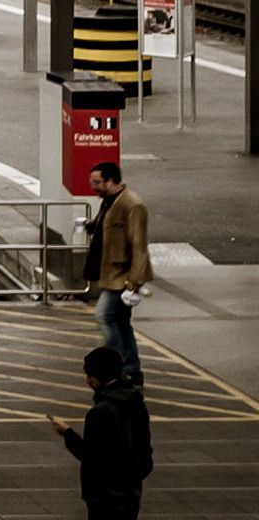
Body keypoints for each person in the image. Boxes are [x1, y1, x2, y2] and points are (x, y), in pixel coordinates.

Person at [51, 346, 153, 520]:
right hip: (130, 493)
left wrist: (67, 433)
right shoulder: (136, 403)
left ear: (96, 380)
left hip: (103, 496)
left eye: (89, 377)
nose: (87, 381)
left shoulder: (99, 412)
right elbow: (145, 449)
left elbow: (89, 454)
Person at [85, 162, 153, 384]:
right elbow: (109, 224)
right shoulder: (109, 200)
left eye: (96, 182)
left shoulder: (133, 205)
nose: (92, 186)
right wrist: (93, 224)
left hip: (122, 275)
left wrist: (136, 277)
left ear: (110, 181)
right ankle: (132, 370)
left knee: (104, 316)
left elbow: (139, 244)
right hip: (110, 271)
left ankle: (110, 366)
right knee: (122, 323)